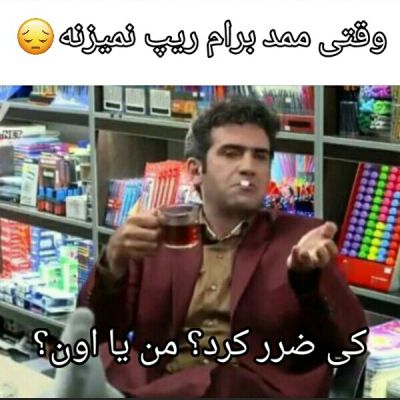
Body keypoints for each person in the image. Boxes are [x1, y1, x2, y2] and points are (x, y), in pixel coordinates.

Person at [49, 96, 367, 398]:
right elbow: (99, 330)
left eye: (260, 156)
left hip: (250, 391)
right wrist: (112, 264)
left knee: (223, 380)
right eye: (231, 153)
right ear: (195, 171)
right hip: (161, 382)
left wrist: (308, 280)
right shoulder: (156, 234)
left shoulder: (301, 240)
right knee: (108, 357)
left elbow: (351, 344)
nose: (248, 167)